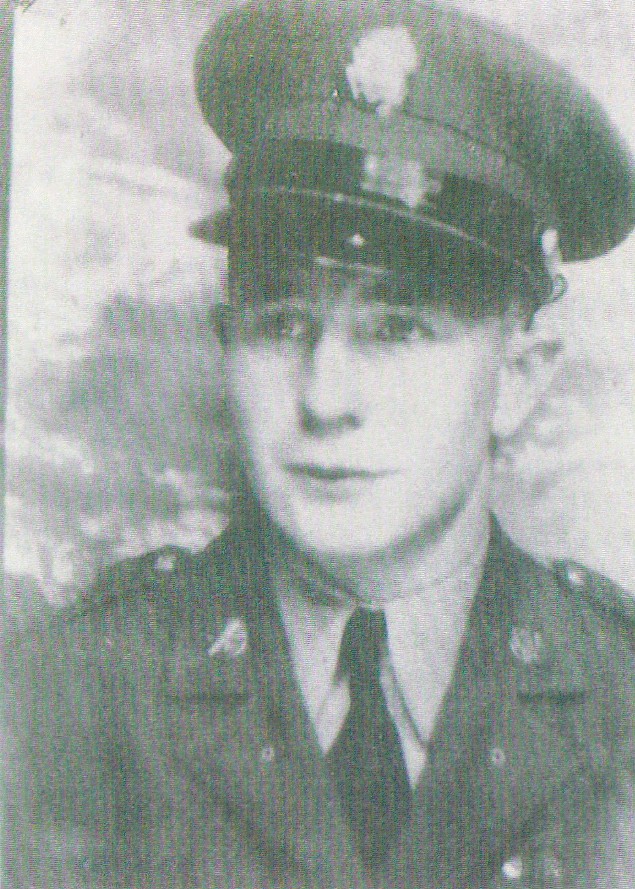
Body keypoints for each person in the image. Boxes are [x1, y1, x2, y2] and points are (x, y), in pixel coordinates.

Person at [3, 1, 635, 887]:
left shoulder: (618, 695)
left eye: (398, 328)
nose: (324, 399)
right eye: (281, 322)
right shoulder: (58, 700)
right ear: (225, 341)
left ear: (521, 375)